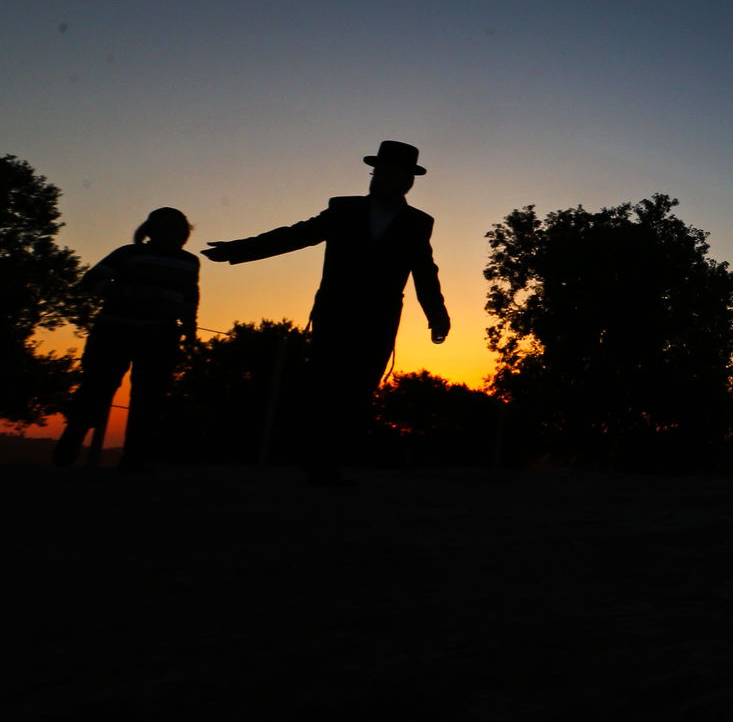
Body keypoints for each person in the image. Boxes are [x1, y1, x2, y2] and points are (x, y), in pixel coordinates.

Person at [201, 140, 450, 485]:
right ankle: (319, 462)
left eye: (387, 172)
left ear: (407, 180)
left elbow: (424, 270)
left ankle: (328, 460)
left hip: (378, 319)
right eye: (376, 171)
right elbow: (297, 235)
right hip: (335, 312)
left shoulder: (418, 222)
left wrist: (437, 316)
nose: (377, 177)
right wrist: (238, 250)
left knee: (359, 390)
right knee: (324, 386)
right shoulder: (343, 209)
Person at [53, 207, 200, 471]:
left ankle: (134, 460)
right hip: (114, 331)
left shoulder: (190, 262)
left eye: (179, 230)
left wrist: (189, 329)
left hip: (160, 336)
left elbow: (190, 297)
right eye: (167, 229)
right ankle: (68, 449)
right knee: (95, 389)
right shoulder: (128, 254)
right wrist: (128, 294)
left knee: (150, 399)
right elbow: (91, 281)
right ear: (150, 231)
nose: (175, 234)